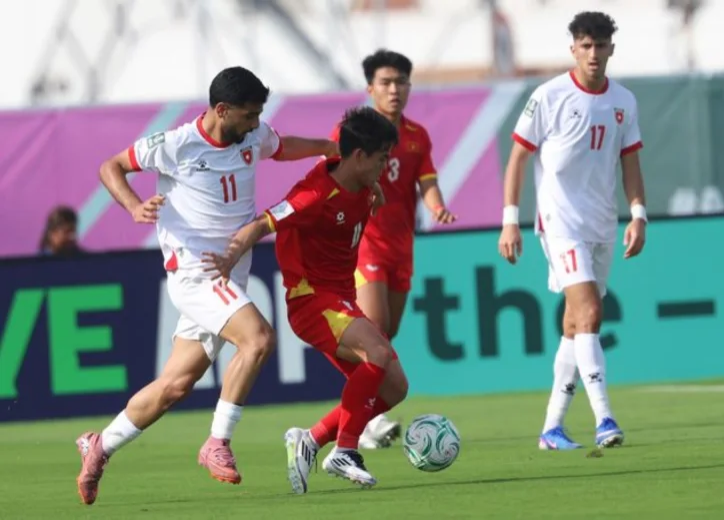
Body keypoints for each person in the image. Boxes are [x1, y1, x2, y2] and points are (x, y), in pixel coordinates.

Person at [75, 66, 339, 505]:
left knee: (175, 385)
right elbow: (112, 166)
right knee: (258, 339)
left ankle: (99, 446)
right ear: (221, 109)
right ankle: (217, 442)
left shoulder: (252, 135)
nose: (255, 123)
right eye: (249, 114)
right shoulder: (176, 144)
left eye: (259, 115)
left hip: (229, 275)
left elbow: (282, 146)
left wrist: (328, 147)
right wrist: (135, 206)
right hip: (196, 273)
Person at [202, 106, 403, 493]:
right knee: (377, 353)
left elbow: (358, 178)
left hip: (341, 299)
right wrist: (228, 258)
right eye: (381, 159)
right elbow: (262, 224)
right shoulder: (313, 195)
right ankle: (345, 450)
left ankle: (309, 440)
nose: (385, 167)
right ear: (359, 156)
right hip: (312, 302)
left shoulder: (361, 180)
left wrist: (374, 188)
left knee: (395, 389)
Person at [498, 11, 647, 450]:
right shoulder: (549, 96)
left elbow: (630, 162)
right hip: (560, 223)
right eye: (586, 45)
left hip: (602, 223)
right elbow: (518, 159)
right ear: (573, 49)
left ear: (611, 49)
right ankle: (605, 419)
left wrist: (639, 214)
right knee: (591, 313)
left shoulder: (624, 101)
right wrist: (510, 221)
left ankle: (552, 428)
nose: (593, 53)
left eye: (600, 45)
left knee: (574, 323)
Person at [330, 49, 456, 449]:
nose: (394, 89)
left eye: (401, 82)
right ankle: (365, 421)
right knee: (375, 329)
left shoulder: (417, 136)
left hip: (402, 247)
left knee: (388, 333)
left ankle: (364, 412)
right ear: (370, 88)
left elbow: (427, 181)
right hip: (364, 244)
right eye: (385, 82)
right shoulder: (352, 133)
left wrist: (436, 206)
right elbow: (331, 176)